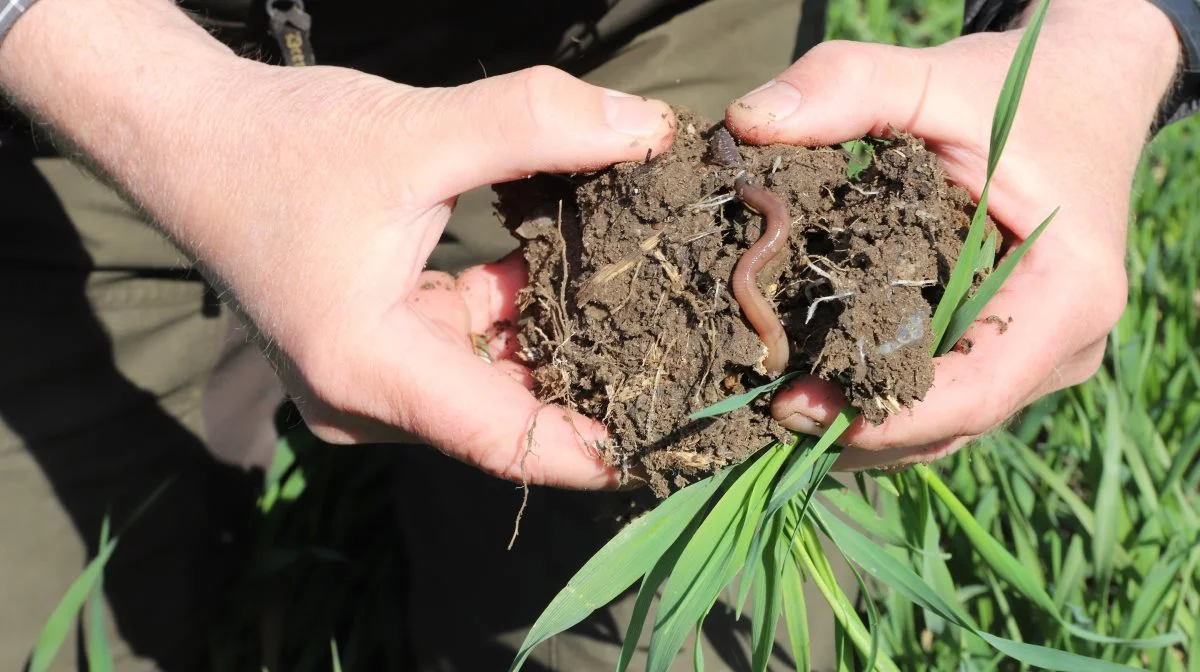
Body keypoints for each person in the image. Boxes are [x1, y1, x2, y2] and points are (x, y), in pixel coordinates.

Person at [0, 0, 1194, 669]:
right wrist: (147, 93)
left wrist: (1110, 34)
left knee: (685, 644)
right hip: (97, 88)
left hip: (640, 72)